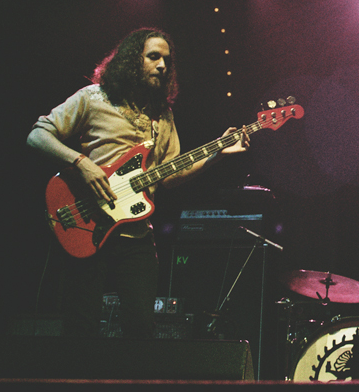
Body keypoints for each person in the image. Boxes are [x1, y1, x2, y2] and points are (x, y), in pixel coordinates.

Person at [27, 28, 249, 338]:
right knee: (81, 330)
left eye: (167, 61)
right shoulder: (93, 98)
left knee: (142, 330)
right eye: (154, 57)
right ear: (132, 60)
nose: (162, 66)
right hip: (86, 225)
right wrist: (81, 163)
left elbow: (170, 176)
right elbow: (38, 135)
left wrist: (217, 154)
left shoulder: (163, 116)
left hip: (135, 235)